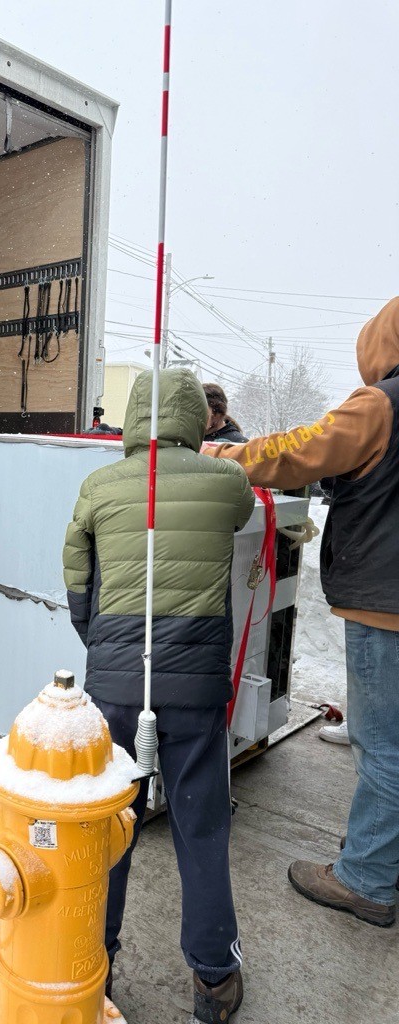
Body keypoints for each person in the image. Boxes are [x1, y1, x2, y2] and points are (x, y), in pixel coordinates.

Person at [63, 368, 255, 1023]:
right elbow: (243, 511)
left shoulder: (97, 485)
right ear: (197, 418)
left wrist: (109, 653)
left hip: (115, 689)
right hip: (195, 689)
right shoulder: (225, 481)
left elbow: (78, 586)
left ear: (133, 414)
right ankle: (214, 980)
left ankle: (96, 966)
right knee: (200, 831)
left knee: (109, 836)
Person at [203, 296, 399, 927]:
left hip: (386, 602)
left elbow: (298, 451)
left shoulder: (382, 403)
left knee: (383, 745)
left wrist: (214, 457)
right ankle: (384, 851)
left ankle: (367, 877)